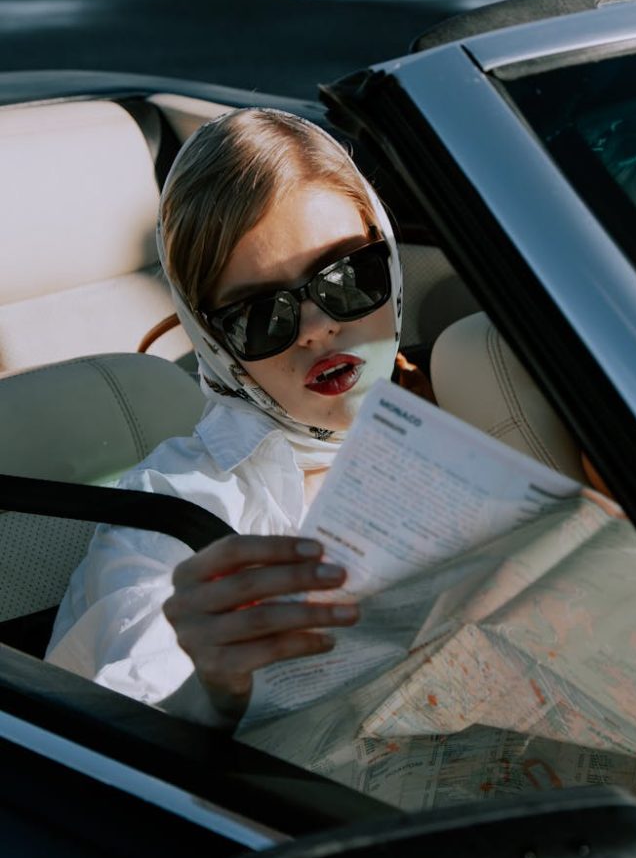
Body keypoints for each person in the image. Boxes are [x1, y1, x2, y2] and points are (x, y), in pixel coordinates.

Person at [45, 108, 403, 727]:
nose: (319, 328)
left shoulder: (494, 400)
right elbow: (133, 720)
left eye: (347, 275)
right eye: (261, 316)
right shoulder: (180, 510)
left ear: (389, 255)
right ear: (215, 342)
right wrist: (211, 695)